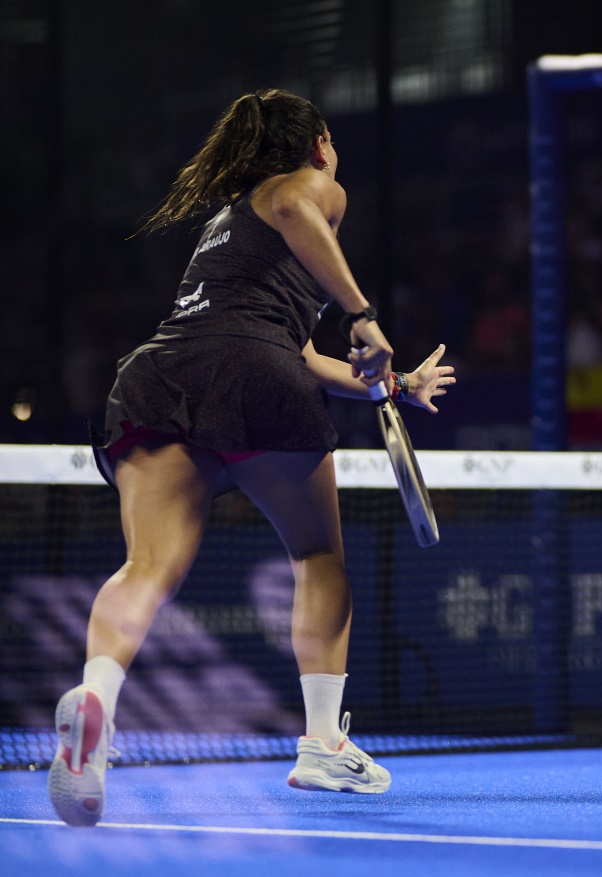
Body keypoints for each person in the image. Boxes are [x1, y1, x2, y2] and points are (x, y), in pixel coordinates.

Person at [47, 88, 456, 827]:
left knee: (146, 567)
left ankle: (96, 701)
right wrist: (364, 317)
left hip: (162, 372)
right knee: (316, 555)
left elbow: (297, 351)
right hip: (255, 376)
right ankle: (325, 743)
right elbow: (301, 223)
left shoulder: (226, 223)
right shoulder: (308, 189)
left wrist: (392, 384)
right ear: (319, 143)